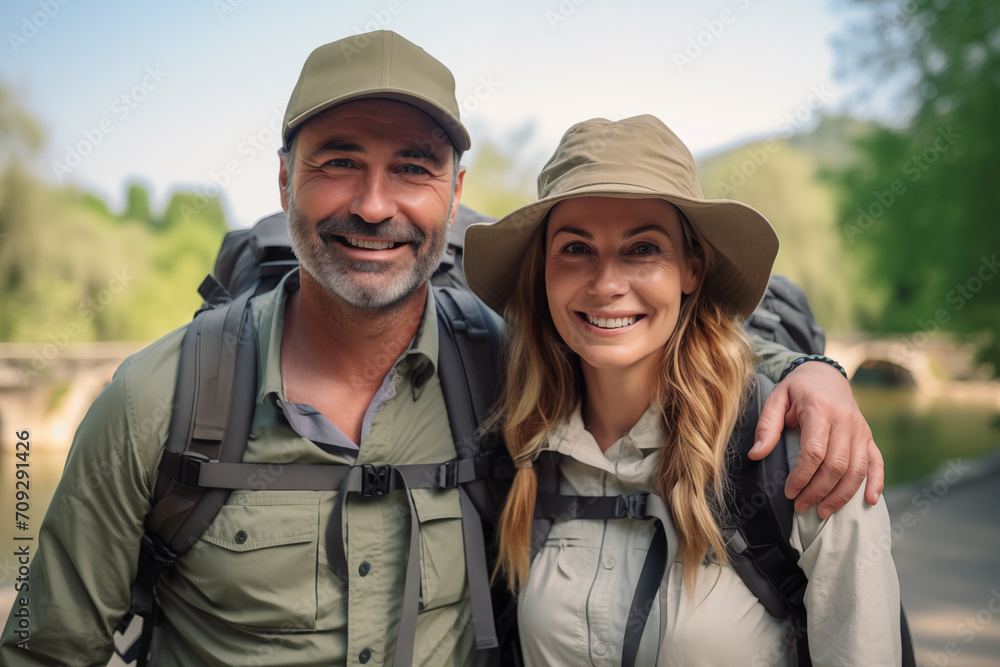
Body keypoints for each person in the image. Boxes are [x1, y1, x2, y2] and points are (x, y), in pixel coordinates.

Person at [1, 31, 884, 667]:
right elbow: (50, 650)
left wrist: (811, 374)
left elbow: (652, 340)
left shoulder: (502, 369)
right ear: (284, 181)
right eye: (339, 161)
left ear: (455, 194)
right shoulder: (157, 401)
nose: (376, 204)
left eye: (414, 166)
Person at [464, 115, 901, 665]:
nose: (606, 284)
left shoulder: (806, 458)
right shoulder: (522, 451)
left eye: (642, 249)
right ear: (543, 272)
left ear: (692, 268)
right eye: (575, 249)